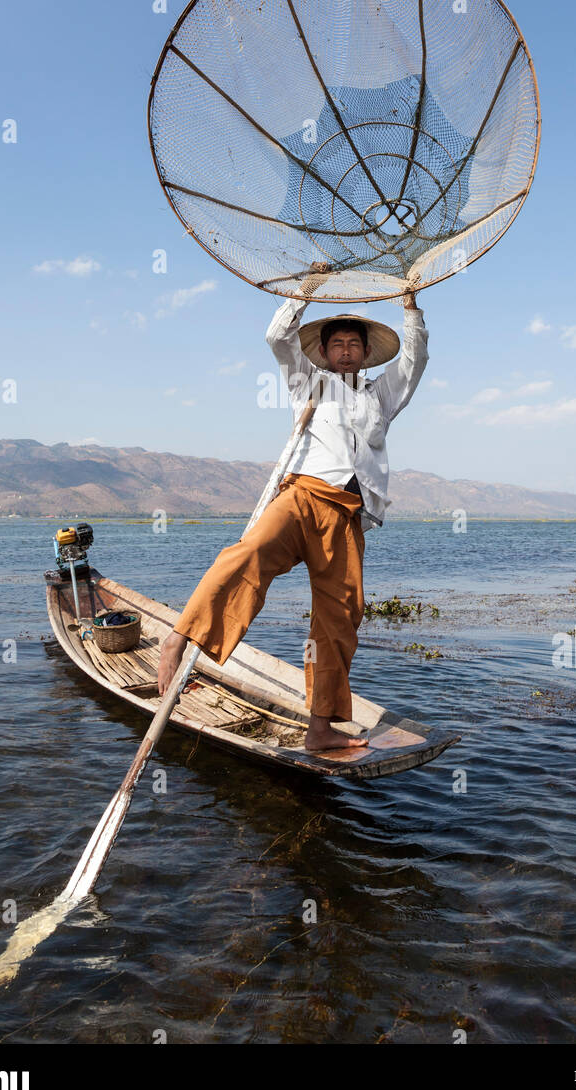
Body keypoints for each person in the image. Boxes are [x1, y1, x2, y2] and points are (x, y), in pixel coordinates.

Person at [156, 264, 429, 753]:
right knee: (248, 555)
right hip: (301, 497)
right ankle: (179, 637)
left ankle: (320, 728)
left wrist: (410, 308)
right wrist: (306, 290)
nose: (345, 351)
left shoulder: (380, 397)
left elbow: (413, 363)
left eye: (353, 345)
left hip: (347, 514)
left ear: (366, 355)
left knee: (339, 619)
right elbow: (278, 336)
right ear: (324, 353)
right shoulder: (309, 384)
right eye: (337, 344)